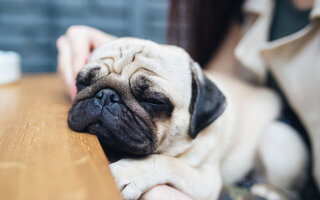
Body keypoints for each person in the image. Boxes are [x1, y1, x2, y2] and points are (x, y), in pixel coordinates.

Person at [57, 0, 320, 199]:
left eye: (151, 101)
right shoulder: (255, 5)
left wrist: (155, 168)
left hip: (278, 147)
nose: (106, 101)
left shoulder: (205, 118)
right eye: (89, 82)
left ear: (198, 113)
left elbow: (208, 182)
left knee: (281, 150)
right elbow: (209, 75)